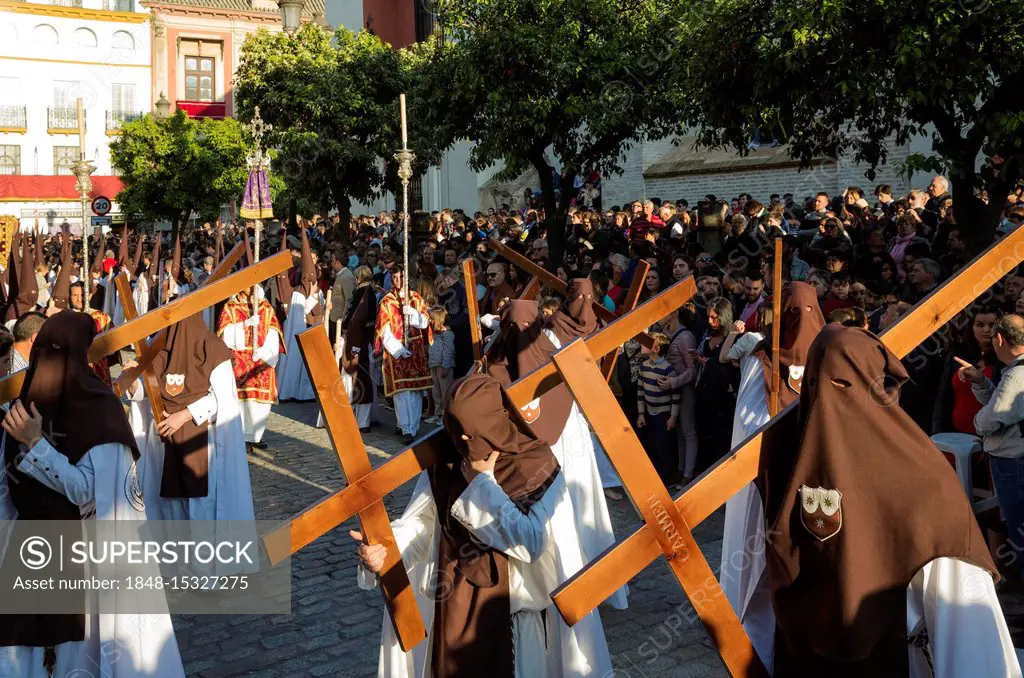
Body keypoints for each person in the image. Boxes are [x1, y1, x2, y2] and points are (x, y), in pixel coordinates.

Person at [759, 324, 1019, 676]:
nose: (833, 395)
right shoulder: (785, 450)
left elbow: (958, 598)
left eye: (843, 382)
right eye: (827, 380)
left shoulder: (917, 470)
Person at [351, 373, 613, 678]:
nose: (462, 440)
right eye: (455, 429)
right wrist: (386, 551)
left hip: (518, 626)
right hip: (454, 617)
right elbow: (422, 527)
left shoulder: (538, 467)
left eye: (470, 431)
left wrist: (482, 483)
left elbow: (529, 542)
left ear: (491, 422)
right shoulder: (446, 462)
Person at [0, 310, 185, 678]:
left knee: (70, 652)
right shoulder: (28, 407)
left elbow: (91, 494)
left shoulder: (97, 412)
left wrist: (36, 445)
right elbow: (6, 490)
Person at [719, 281, 825, 668]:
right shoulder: (761, 356)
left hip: (813, 480)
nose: (803, 323)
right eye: (794, 313)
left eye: (808, 312)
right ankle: (758, 640)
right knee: (761, 561)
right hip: (764, 479)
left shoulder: (829, 356)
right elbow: (747, 424)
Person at [120, 313, 255, 529]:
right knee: (171, 510)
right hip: (166, 442)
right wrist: (134, 382)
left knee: (202, 510)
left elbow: (222, 398)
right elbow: (149, 392)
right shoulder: (160, 350)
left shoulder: (213, 348)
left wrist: (184, 415)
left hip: (202, 440)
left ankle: (203, 561)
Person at [964, 314, 1024, 580]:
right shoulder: (1014, 372)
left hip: (1014, 462)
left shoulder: (1017, 375)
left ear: (1000, 339)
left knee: (1019, 529)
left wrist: (978, 422)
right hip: (1013, 459)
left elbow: (993, 417)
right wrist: (980, 382)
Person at [216, 285, 283, 452]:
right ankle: (243, 435)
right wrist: (245, 324)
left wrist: (265, 352)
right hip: (239, 360)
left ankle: (256, 435)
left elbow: (273, 332)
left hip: (261, 360)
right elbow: (224, 335)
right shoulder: (231, 307)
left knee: (258, 402)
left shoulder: (265, 308)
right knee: (242, 401)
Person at [375, 264, 432, 444]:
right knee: (402, 392)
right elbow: (383, 330)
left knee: (415, 392)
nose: (398, 281)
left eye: (401, 277)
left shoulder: (416, 298)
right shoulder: (387, 301)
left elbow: (425, 323)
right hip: (398, 351)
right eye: (395, 277)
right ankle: (405, 427)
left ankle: (412, 427)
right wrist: (397, 350)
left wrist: (413, 313)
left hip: (416, 350)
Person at [276, 229, 323, 401]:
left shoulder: (299, 293)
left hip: (297, 330)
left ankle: (297, 391)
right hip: (297, 331)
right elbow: (301, 311)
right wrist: (313, 298)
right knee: (295, 362)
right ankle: (292, 392)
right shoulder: (298, 294)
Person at [637, 332, 681, 486]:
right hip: (649, 413)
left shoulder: (667, 369)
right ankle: (654, 477)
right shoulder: (644, 367)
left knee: (663, 446)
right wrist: (641, 413)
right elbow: (641, 391)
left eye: (646, 343)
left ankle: (667, 478)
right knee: (651, 445)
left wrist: (673, 417)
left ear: (655, 348)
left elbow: (676, 395)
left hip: (663, 415)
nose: (641, 345)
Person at [339, 266, 377, 433]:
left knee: (360, 378)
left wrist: (354, 341)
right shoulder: (364, 293)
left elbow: (358, 320)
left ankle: (363, 420)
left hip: (360, 340)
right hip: (359, 339)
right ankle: (360, 419)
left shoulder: (364, 294)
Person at [426, 306, 454, 425]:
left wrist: (445, 366)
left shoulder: (447, 334)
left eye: (432, 319)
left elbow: (448, 351)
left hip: (443, 367)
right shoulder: (435, 334)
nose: (430, 322)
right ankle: (437, 413)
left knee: (445, 391)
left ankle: (445, 415)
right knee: (436, 391)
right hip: (434, 365)